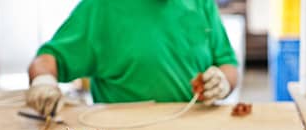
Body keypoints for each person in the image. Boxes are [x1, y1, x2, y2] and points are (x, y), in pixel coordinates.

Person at [26, 0, 238, 116]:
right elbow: (47, 59)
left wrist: (223, 81)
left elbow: (228, 63)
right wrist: (43, 81)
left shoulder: (201, 4)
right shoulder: (101, 7)